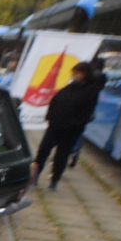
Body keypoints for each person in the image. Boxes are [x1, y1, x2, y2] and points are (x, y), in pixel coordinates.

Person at [33, 63, 99, 191]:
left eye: (78, 73)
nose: (75, 75)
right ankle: (34, 176)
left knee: (61, 156)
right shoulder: (69, 87)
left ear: (85, 74)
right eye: (74, 72)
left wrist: (73, 124)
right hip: (54, 126)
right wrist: (50, 116)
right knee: (43, 151)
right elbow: (56, 101)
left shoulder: (90, 91)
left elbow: (86, 113)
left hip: (70, 131)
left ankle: (54, 180)